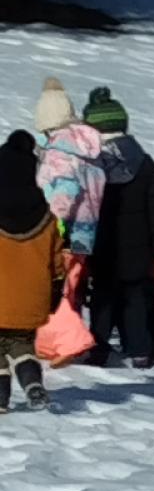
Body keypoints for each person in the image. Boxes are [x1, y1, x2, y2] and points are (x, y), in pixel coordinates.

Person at [80, 88, 154, 368]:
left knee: (102, 295)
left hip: (102, 243)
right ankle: (140, 349)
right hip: (139, 245)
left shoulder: (91, 161)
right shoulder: (143, 162)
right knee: (135, 297)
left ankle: (98, 347)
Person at [0, 130, 67, 411]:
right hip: (31, 298)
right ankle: (32, 384)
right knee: (21, 345)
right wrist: (54, 294)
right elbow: (57, 262)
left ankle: (1, 399)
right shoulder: (47, 218)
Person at [34, 77, 106, 259]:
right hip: (88, 231)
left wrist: (51, 223)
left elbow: (66, 189)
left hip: (65, 234)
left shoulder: (59, 152)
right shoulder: (86, 149)